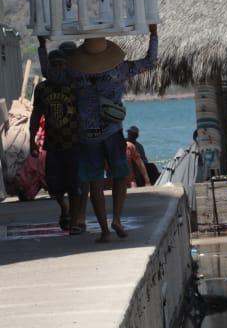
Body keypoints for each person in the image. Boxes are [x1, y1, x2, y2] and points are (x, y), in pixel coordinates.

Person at [45, 27, 157, 243]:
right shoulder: (119, 69)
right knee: (120, 176)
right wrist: (154, 36)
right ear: (106, 51)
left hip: (87, 135)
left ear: (84, 53)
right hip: (113, 131)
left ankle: (105, 231)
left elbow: (50, 74)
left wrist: (42, 46)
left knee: (95, 183)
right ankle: (116, 218)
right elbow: (150, 62)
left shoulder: (75, 72)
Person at [28, 47, 85, 233]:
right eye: (55, 65)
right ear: (49, 67)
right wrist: (31, 139)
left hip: (74, 143)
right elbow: (36, 114)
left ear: (66, 65)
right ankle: (65, 209)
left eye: (61, 64)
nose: (58, 68)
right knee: (54, 187)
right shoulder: (42, 89)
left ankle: (75, 221)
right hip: (52, 144)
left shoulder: (73, 85)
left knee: (75, 185)